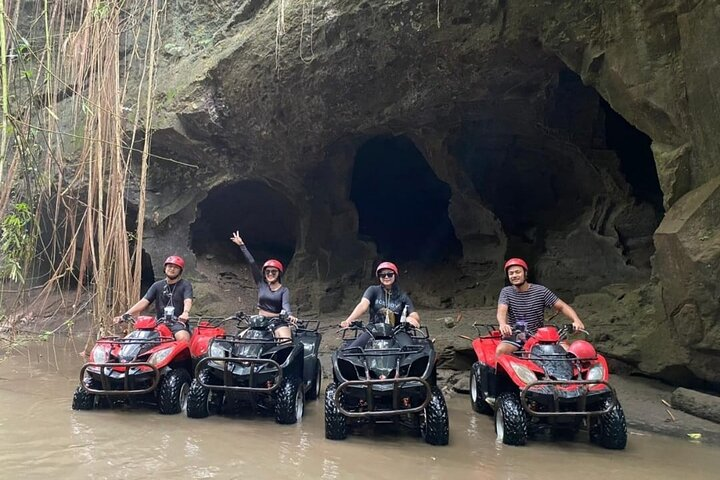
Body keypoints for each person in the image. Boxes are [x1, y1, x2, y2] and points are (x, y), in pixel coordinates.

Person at [495, 257, 584, 358]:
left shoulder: (540, 291)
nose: (514, 275)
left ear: (525, 273)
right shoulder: (506, 292)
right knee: (500, 350)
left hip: (538, 334)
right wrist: (503, 324)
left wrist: (576, 320)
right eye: (511, 273)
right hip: (517, 333)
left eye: (517, 272)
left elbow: (562, 306)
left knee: (567, 351)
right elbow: (501, 311)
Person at [230, 231, 295, 341]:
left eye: (274, 272)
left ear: (279, 273)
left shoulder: (284, 290)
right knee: (238, 340)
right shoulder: (261, 284)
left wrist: (289, 315)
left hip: (278, 322)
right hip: (259, 322)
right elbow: (252, 263)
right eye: (267, 271)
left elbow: (285, 304)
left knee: (286, 340)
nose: (270, 274)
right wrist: (242, 245)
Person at [340, 261, 420, 350]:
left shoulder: (402, 295)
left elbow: (413, 313)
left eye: (389, 274)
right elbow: (363, 305)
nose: (386, 277)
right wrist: (348, 320)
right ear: (379, 277)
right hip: (373, 329)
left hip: (397, 331)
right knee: (352, 350)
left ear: (395, 275)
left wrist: (412, 319)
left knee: (410, 350)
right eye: (383, 275)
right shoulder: (373, 290)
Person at [114, 255, 193, 342]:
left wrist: (185, 313)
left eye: (176, 267)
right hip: (159, 322)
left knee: (183, 338)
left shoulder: (185, 285)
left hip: (178, 323)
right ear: (165, 268)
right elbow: (144, 301)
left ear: (180, 271)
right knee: (137, 339)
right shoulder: (157, 285)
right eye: (170, 266)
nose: (172, 269)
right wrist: (124, 315)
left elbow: (187, 300)